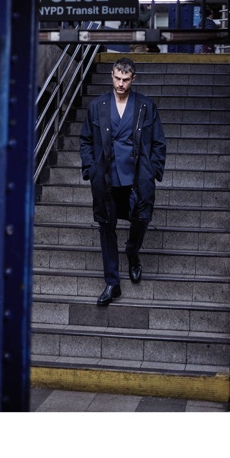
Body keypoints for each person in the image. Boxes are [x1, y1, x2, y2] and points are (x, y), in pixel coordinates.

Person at [79, 57, 167, 306]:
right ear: (111, 75)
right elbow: (85, 139)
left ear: (133, 79)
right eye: (117, 78)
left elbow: (159, 142)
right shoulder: (98, 106)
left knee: (141, 218)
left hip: (137, 178)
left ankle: (132, 251)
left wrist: (153, 170)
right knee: (106, 227)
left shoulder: (145, 106)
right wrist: (90, 168)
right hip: (106, 178)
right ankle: (112, 283)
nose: (120, 83)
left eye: (125, 80)